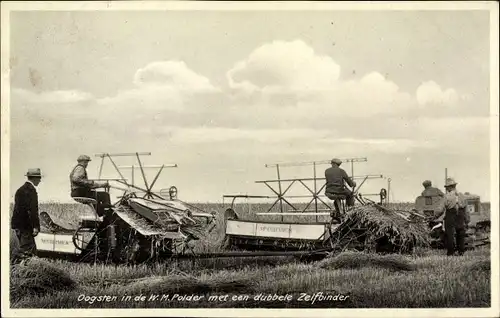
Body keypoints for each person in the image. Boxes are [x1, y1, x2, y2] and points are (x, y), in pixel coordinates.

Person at [11, 168, 42, 261]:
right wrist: (35, 227)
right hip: (25, 227)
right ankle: (22, 272)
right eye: (39, 178)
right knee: (28, 253)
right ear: (35, 178)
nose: (40, 180)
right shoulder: (31, 191)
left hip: (18, 226)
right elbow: (33, 211)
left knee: (25, 251)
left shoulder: (20, 190)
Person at [434, 178, 469, 256]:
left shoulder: (446, 197)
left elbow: (440, 209)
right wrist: (467, 220)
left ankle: (451, 252)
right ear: (454, 186)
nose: (446, 189)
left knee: (450, 234)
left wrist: (435, 216)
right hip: (461, 215)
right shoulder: (462, 196)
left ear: (449, 187)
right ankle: (461, 252)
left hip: (451, 215)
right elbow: (466, 210)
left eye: (446, 187)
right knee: (460, 233)